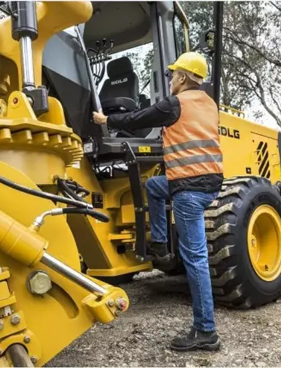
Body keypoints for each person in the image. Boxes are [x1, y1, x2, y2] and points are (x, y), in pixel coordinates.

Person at [92, 52, 223, 352]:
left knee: (196, 259)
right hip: (207, 182)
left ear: (182, 77)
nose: (169, 79)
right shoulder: (209, 104)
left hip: (189, 189)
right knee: (154, 185)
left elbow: (141, 117)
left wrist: (107, 119)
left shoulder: (176, 103)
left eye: (172, 74)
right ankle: (161, 244)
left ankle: (206, 331)